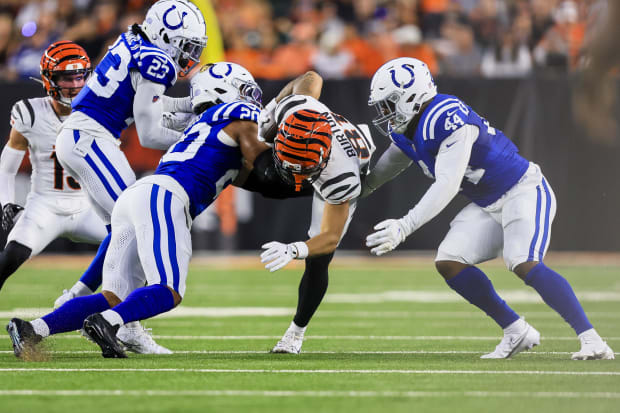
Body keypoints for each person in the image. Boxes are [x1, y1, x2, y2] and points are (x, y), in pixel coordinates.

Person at [6, 62, 271, 359]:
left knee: (112, 296)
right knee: (168, 290)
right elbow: (265, 169)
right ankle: (109, 323)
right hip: (165, 197)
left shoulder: (204, 126)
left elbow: (259, 180)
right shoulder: (237, 118)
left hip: (137, 197)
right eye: (246, 90)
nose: (252, 99)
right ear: (227, 91)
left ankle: (32, 329)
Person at [362, 57, 614, 360]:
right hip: (487, 203)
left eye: (389, 104)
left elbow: (448, 183)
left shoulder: (445, 115)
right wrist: (360, 188)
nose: (384, 113)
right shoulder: (408, 129)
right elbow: (393, 160)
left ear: (411, 96)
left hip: (523, 189)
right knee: (449, 261)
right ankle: (515, 330)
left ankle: (593, 340)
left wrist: (404, 226)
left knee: (523, 262)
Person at [52, 0, 207, 354]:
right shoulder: (158, 60)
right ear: (167, 37)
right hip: (92, 139)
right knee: (139, 222)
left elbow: (149, 105)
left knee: (124, 229)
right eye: (187, 45)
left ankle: (77, 300)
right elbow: (150, 134)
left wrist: (191, 106)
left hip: (82, 137)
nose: (189, 55)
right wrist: (196, 135)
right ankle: (125, 324)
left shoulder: (137, 43)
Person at [258, 71, 375, 354]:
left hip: (339, 175)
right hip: (307, 150)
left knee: (318, 258)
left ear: (321, 157)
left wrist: (296, 249)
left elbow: (330, 237)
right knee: (257, 137)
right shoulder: (295, 109)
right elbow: (311, 77)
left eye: (306, 170)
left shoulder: (341, 177)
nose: (298, 178)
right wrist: (273, 108)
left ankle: (295, 334)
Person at [0, 41, 107, 292]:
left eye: (80, 77)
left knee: (135, 246)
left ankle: (121, 319)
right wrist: (6, 202)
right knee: (11, 256)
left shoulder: (100, 111)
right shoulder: (30, 113)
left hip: (88, 206)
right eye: (65, 78)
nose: (74, 86)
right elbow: (7, 167)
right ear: (48, 78)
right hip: (45, 204)